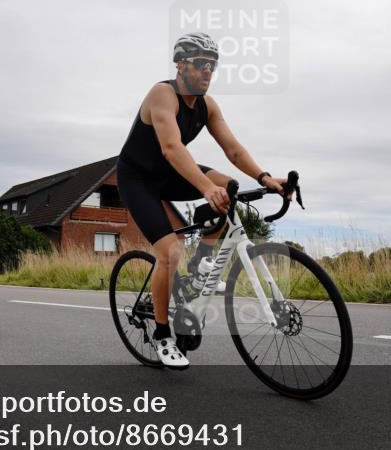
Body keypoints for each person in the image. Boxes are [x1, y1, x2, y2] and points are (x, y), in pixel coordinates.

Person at [116, 32, 291, 370]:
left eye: (212, 65)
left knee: (230, 187)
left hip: (170, 173)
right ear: (180, 65)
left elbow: (233, 149)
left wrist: (265, 178)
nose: (207, 70)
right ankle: (163, 335)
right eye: (200, 63)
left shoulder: (207, 106)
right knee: (170, 252)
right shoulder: (162, 94)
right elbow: (171, 148)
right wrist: (206, 187)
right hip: (138, 179)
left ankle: (200, 267)